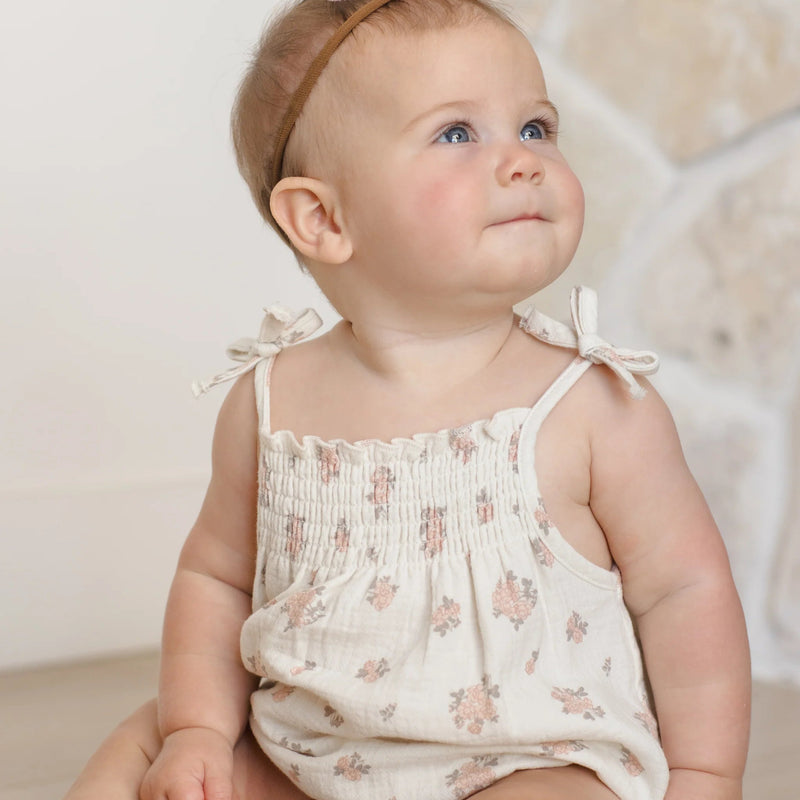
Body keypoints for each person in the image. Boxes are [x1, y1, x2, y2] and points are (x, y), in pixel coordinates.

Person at [64, 0, 751, 798]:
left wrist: (706, 774)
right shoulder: (270, 403)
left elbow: (684, 590)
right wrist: (197, 731)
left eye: (535, 126)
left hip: (526, 759)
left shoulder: (590, 403)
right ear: (321, 217)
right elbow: (215, 581)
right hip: (310, 751)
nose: (523, 160)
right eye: (458, 133)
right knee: (144, 751)